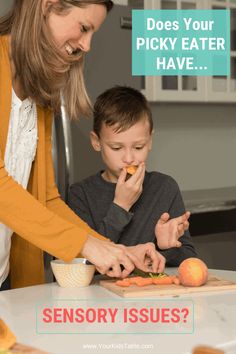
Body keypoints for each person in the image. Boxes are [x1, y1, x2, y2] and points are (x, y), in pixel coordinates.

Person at [0, 1, 161, 291]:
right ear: (48, 6)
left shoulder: (39, 96)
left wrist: (113, 250)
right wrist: (86, 245)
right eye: (84, 28)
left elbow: (46, 201)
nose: (87, 45)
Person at [68, 86, 198, 266]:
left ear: (150, 141)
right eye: (116, 148)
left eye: (138, 147)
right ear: (96, 142)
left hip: (153, 292)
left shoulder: (165, 187)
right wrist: (120, 206)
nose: (129, 159)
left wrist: (165, 247)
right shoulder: (80, 194)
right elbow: (83, 263)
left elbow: (189, 258)